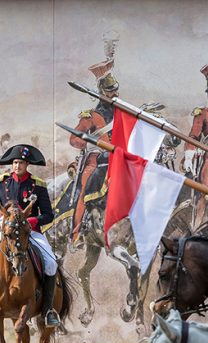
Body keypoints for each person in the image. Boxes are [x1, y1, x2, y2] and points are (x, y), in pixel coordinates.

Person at [0, 144, 60, 327]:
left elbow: (48, 214)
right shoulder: (1, 183)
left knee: (51, 263)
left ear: (27, 164)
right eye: (14, 162)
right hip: (7, 233)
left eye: (20, 163)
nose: (16, 166)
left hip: (31, 233)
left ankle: (48, 310)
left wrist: (31, 222)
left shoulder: (38, 186)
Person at [68, 57, 118, 240]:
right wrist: (91, 143)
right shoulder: (90, 116)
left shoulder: (123, 112)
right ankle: (76, 234)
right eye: (110, 91)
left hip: (118, 159)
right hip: (95, 161)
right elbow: (73, 139)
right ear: (101, 92)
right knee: (84, 190)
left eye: (115, 90)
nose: (115, 95)